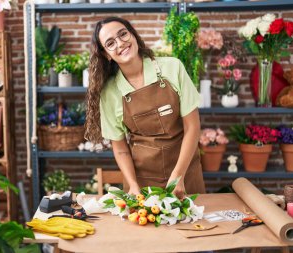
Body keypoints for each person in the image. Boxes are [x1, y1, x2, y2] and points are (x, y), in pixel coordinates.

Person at [84, 16, 205, 199]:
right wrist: (133, 185)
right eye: (110, 43)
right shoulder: (109, 92)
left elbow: (192, 127)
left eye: (123, 34)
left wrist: (178, 175)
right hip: (141, 182)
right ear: (106, 54)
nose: (120, 43)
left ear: (133, 34)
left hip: (185, 173)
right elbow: (121, 148)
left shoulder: (173, 68)